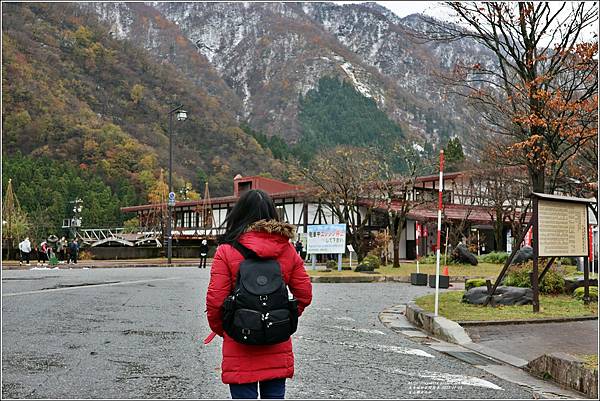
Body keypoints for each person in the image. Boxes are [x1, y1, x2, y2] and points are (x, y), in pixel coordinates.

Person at [205, 189, 312, 399]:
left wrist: (230, 327)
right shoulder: (287, 249)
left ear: (238, 214)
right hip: (277, 336)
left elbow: (215, 302)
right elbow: (305, 294)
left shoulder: (226, 250)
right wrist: (280, 317)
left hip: (240, 339)